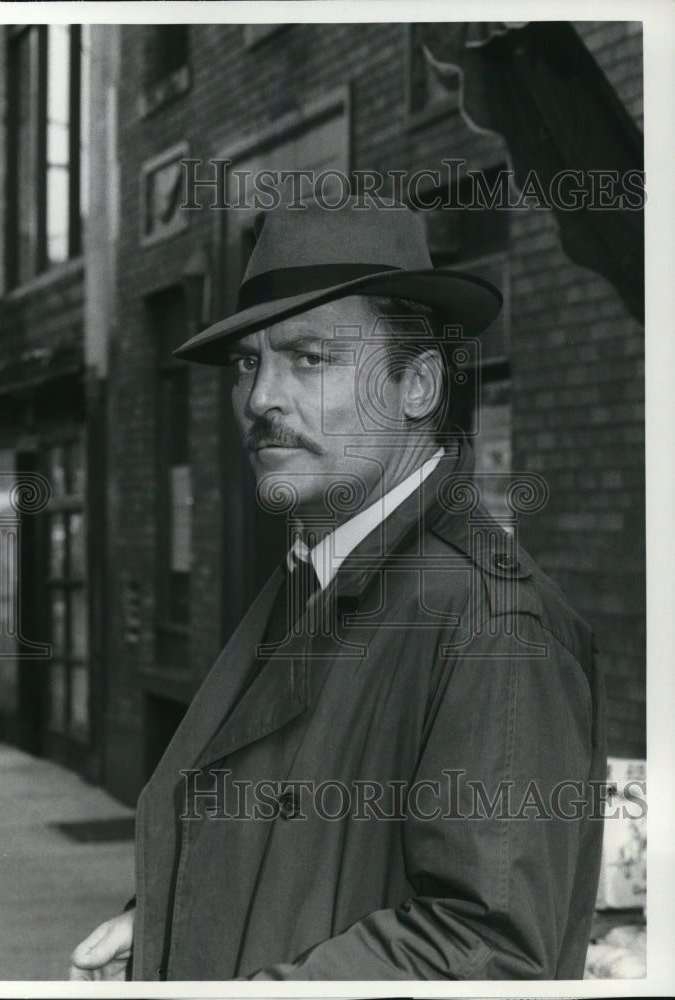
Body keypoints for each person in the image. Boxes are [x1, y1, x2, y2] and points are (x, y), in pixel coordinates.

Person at [70, 196, 606, 981]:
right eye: (249, 361)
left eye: (309, 359)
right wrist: (159, 931)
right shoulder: (316, 574)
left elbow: (487, 952)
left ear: (417, 386)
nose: (259, 398)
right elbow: (288, 861)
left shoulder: (492, 621)